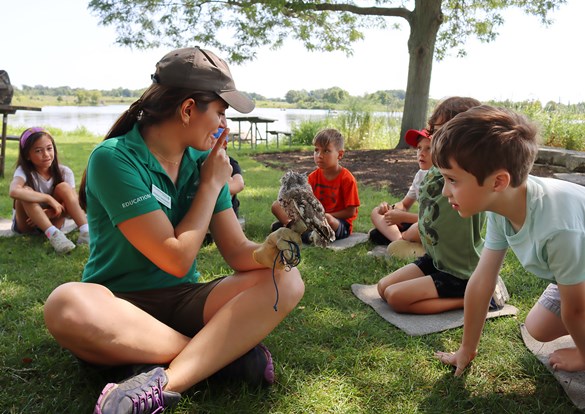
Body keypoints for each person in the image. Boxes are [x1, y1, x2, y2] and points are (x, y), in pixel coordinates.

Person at [42, 46, 305, 414]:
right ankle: (219, 356)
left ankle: (167, 379)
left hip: (184, 300)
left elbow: (235, 251)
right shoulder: (114, 159)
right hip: (118, 306)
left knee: (287, 280)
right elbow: (175, 258)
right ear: (187, 110)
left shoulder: (204, 161)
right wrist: (212, 185)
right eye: (220, 112)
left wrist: (266, 253)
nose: (223, 126)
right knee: (64, 304)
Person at [434, 105, 585, 376]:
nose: (445, 191)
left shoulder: (558, 228)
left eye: (452, 180)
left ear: (498, 182)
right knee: (538, 327)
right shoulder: (503, 206)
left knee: (573, 314)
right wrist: (466, 350)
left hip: (575, 253)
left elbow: (575, 310)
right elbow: (482, 281)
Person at [376, 97, 503, 315]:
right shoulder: (435, 170)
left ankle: (476, 296)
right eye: (435, 130)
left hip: (460, 270)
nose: (435, 137)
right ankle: (473, 293)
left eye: (445, 130)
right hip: (436, 259)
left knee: (397, 299)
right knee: (383, 288)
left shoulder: (471, 176)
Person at [271, 128, 360, 243]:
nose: (319, 155)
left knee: (328, 220)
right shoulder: (312, 177)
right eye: (316, 150)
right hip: (312, 218)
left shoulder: (347, 179)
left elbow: (351, 212)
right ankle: (294, 228)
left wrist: (323, 216)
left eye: (326, 151)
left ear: (340, 155)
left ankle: (298, 233)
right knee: (276, 206)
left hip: (338, 223)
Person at [8, 127, 89, 254]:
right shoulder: (23, 172)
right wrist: (48, 198)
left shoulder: (65, 172)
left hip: (54, 220)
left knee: (64, 187)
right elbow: (14, 191)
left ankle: (86, 232)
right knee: (25, 191)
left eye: (49, 148)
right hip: (26, 225)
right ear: (27, 155)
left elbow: (71, 210)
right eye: (38, 151)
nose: (46, 154)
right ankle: (54, 236)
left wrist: (50, 212)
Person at [368, 128, 431, 245]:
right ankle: (399, 240)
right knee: (377, 212)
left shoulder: (443, 178)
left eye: (429, 149)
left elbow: (434, 220)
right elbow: (405, 204)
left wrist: (404, 216)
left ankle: (399, 241)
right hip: (417, 222)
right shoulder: (420, 175)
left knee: (416, 228)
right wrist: (391, 209)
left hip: (429, 226)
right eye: (419, 148)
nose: (421, 153)